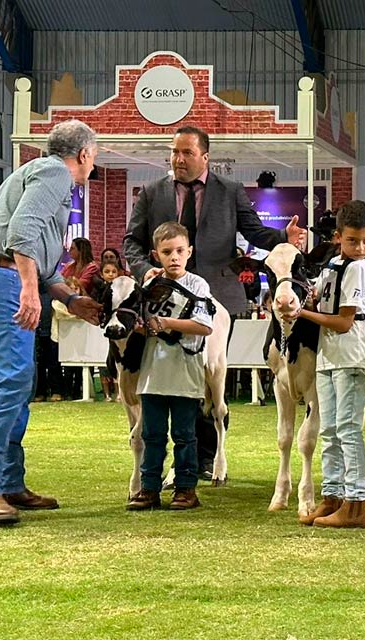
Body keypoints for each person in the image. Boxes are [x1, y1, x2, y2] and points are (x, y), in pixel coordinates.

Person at [124, 125, 305, 480]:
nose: (179, 159)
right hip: (162, 298)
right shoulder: (152, 192)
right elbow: (131, 241)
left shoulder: (231, 191)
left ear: (205, 157)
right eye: (175, 152)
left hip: (217, 300)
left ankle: (202, 459)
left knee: (208, 375)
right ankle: (157, 458)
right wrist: (146, 270)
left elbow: (255, 232)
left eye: (187, 153)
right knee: (166, 374)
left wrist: (284, 236)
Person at [0, 119, 103, 525]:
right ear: (84, 154)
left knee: (19, 380)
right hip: (3, 278)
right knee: (11, 380)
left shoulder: (37, 172)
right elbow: (22, 234)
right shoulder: (57, 173)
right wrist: (27, 289)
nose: (93, 163)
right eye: (94, 156)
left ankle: (7, 482)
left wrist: (71, 299)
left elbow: (41, 261)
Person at [284, 200, 365, 528]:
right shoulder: (333, 266)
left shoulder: (359, 269)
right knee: (329, 429)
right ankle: (332, 496)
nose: (361, 247)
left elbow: (343, 322)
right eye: (353, 240)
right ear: (338, 237)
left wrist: (302, 313)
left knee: (349, 430)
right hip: (328, 357)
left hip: (352, 355)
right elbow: (316, 294)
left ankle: (356, 503)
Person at [125, 222, 215, 512]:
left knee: (185, 434)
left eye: (179, 251)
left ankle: (186, 488)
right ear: (156, 254)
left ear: (190, 252)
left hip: (185, 370)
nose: (174, 257)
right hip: (152, 373)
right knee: (151, 434)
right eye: (167, 252)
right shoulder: (149, 286)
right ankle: (149, 488)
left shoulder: (198, 285)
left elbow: (204, 325)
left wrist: (165, 323)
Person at [93, 261, 124, 402]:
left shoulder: (123, 291)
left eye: (113, 271)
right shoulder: (99, 290)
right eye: (107, 271)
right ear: (101, 274)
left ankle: (120, 393)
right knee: (104, 363)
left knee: (117, 360)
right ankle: (106, 394)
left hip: (117, 332)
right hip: (103, 331)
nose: (111, 274)